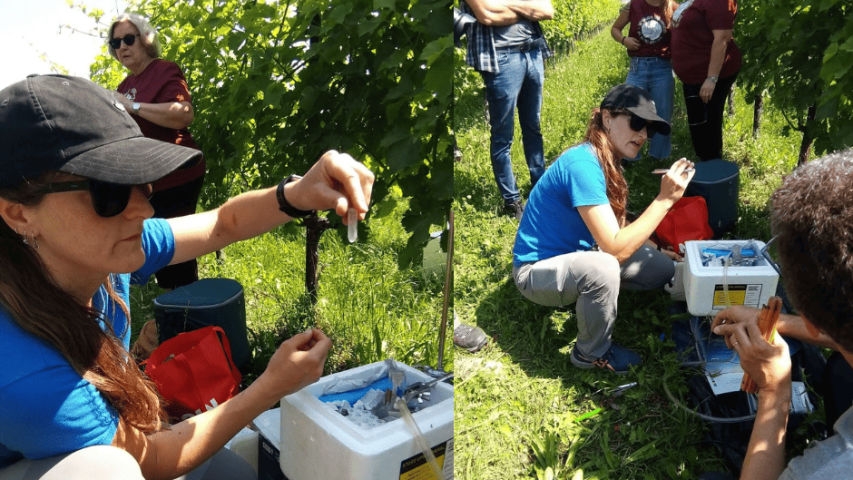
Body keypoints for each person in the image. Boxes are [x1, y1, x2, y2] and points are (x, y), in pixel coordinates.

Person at [0, 75, 373, 480]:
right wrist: (271, 386)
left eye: (141, 181)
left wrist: (299, 193)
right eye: (108, 190)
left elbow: (222, 223)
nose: (142, 209)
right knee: (105, 472)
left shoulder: (99, 254)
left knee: (234, 475)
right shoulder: (19, 365)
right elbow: (153, 460)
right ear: (19, 213)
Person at [512, 84, 693, 374]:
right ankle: (590, 354)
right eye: (637, 123)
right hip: (534, 272)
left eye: (648, 129)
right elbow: (614, 247)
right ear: (607, 118)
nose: (644, 135)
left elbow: (619, 227)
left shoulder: (607, 162)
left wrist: (658, 250)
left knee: (660, 269)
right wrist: (665, 200)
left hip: (578, 256)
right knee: (604, 267)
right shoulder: (583, 165)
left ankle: (590, 301)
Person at [710, 149, 853, 479]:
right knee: (841, 373)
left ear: (812, 320)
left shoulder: (834, 469)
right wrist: (780, 322)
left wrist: (775, 392)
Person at [107, 12, 206, 290]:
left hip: (178, 173)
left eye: (129, 39)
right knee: (164, 251)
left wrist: (131, 106)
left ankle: (188, 315)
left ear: (146, 40)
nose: (122, 47)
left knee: (174, 248)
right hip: (151, 179)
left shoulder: (164, 70)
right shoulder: (125, 86)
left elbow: (183, 114)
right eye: (116, 43)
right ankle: (178, 312)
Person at [461, 0, 554, 220]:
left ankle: (539, 185)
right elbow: (486, 16)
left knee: (533, 126)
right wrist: (526, 10)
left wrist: (506, 4)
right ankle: (511, 201)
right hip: (501, 58)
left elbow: (547, 11)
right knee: (503, 135)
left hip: (533, 52)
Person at [670, 0, 741, 162]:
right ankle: (707, 165)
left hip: (709, 76)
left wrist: (711, 78)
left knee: (708, 128)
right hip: (695, 76)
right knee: (699, 126)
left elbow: (722, 38)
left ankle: (713, 171)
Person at [611, 0, 677, 161]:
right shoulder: (634, 4)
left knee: (663, 112)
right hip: (637, 67)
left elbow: (683, 35)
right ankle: (630, 155)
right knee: (630, 111)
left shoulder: (673, 7)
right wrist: (624, 40)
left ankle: (659, 156)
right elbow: (615, 29)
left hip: (662, 68)